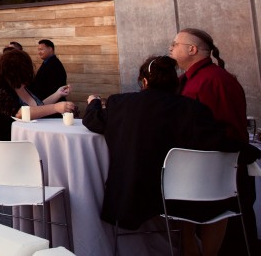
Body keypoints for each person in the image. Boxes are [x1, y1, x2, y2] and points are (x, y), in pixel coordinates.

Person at [84, 56, 259, 255]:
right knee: (218, 203)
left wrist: (94, 102)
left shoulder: (120, 103)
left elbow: (92, 121)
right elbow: (217, 141)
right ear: (174, 81)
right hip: (181, 196)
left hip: (133, 194)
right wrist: (250, 152)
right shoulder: (192, 108)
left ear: (144, 81)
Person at [170, 28, 256, 254]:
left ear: (192, 49)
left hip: (217, 176)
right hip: (201, 174)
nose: (170, 48)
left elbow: (227, 132)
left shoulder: (215, 81)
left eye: (175, 44)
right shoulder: (189, 79)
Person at [0, 49, 74, 141]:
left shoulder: (20, 86)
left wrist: (58, 94)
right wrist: (55, 108)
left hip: (29, 138)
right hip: (8, 143)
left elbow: (37, 107)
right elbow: (21, 113)